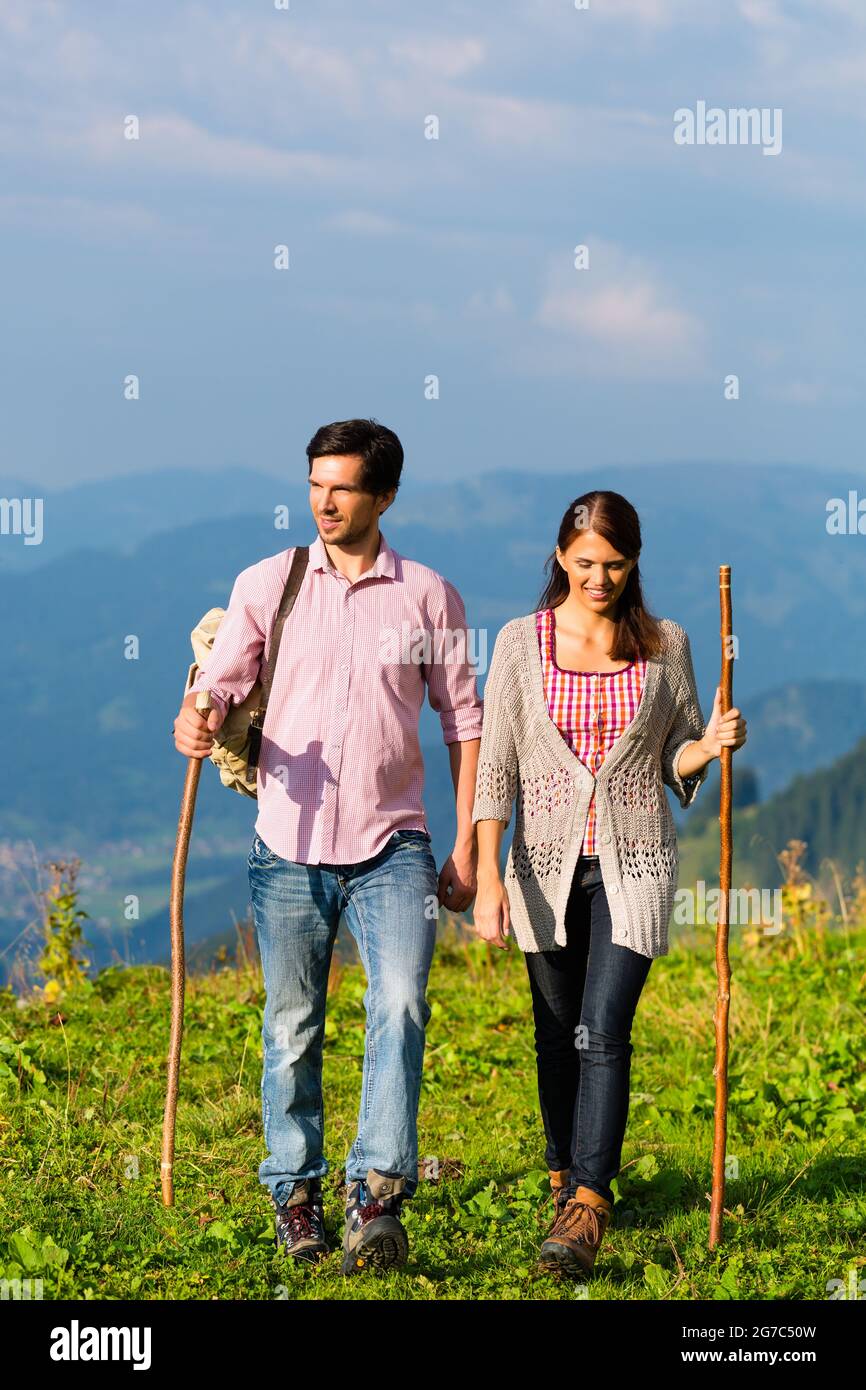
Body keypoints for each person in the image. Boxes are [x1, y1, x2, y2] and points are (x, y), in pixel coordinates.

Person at [172, 419, 482, 1274]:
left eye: (342, 487)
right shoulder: (270, 582)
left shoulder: (430, 596)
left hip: (396, 845)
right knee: (293, 1023)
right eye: (316, 484)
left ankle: (374, 1195)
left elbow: (464, 723)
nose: (325, 502)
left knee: (401, 1002)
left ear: (383, 496)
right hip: (288, 845)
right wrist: (196, 713)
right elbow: (222, 677)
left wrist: (469, 848)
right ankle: (296, 1194)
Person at [470, 490, 747, 1279]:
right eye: (586, 562)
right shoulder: (522, 645)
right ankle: (563, 1170)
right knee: (556, 1033)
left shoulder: (667, 645)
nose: (600, 577)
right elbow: (496, 769)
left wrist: (710, 745)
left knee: (602, 1028)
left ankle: (591, 1199)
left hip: (638, 867)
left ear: (634, 563)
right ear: (561, 557)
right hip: (542, 871)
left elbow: (675, 756)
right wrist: (488, 877)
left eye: (615, 564)